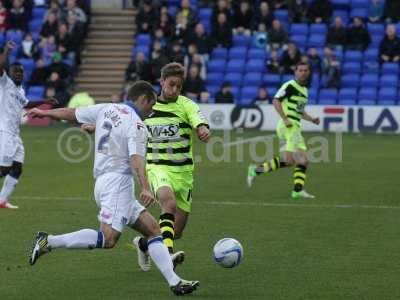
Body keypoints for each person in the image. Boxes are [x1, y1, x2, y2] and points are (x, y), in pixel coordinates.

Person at [26, 81, 199, 296]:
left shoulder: (107, 108)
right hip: (118, 184)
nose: (151, 111)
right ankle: (49, 241)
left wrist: (47, 113)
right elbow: (136, 159)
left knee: (154, 230)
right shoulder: (136, 124)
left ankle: (175, 282)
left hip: (104, 182)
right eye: (151, 105)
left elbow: (73, 113)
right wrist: (145, 187)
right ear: (143, 100)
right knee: (108, 239)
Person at [133, 63, 210, 272]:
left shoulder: (186, 105)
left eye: (179, 86)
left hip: (184, 173)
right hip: (157, 168)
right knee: (168, 202)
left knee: (176, 230)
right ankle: (167, 256)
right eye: (171, 85)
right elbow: (126, 122)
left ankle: (143, 245)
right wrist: (95, 126)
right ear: (161, 82)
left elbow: (198, 121)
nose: (174, 90)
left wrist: (202, 129)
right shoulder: (147, 107)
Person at [247, 62, 320, 199]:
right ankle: (255, 170)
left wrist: (311, 119)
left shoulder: (304, 90)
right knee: (289, 160)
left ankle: (297, 190)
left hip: (295, 128)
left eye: (305, 70)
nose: (303, 72)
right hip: (289, 127)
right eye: (300, 70)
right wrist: (285, 118)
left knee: (303, 160)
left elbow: (299, 111)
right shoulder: (290, 85)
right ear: (295, 71)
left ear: (308, 72)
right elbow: (276, 101)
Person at [0, 41, 54, 209]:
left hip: (15, 134)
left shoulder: (20, 91)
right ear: (9, 73)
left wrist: (45, 102)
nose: (18, 74)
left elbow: (27, 103)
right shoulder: (5, 84)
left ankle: (2, 200)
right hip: (4, 132)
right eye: (15, 71)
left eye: (21, 72)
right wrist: (7, 51)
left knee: (17, 168)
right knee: (3, 170)